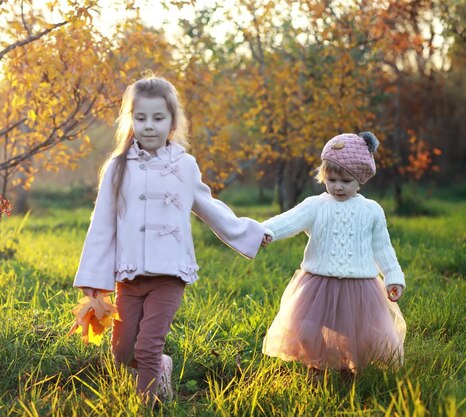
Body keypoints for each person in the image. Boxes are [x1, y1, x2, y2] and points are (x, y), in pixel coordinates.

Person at [73, 74, 266, 403]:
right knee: (121, 352)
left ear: (173, 122)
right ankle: (160, 367)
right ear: (130, 119)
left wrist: (250, 232)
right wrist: (94, 278)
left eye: (158, 118)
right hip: (128, 275)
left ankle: (148, 405)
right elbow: (101, 224)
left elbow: (209, 207)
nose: (149, 126)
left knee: (148, 346)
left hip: (169, 275)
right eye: (141, 117)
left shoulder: (185, 166)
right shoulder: (118, 167)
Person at [260, 132, 406, 378]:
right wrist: (265, 231)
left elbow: (382, 247)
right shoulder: (316, 205)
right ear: (323, 176)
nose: (338, 186)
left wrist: (393, 276)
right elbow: (289, 220)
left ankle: (348, 370)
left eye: (346, 180)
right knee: (307, 329)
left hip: (359, 288)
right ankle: (317, 364)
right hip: (317, 285)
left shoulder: (371, 211)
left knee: (355, 334)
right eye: (332, 179)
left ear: (360, 179)